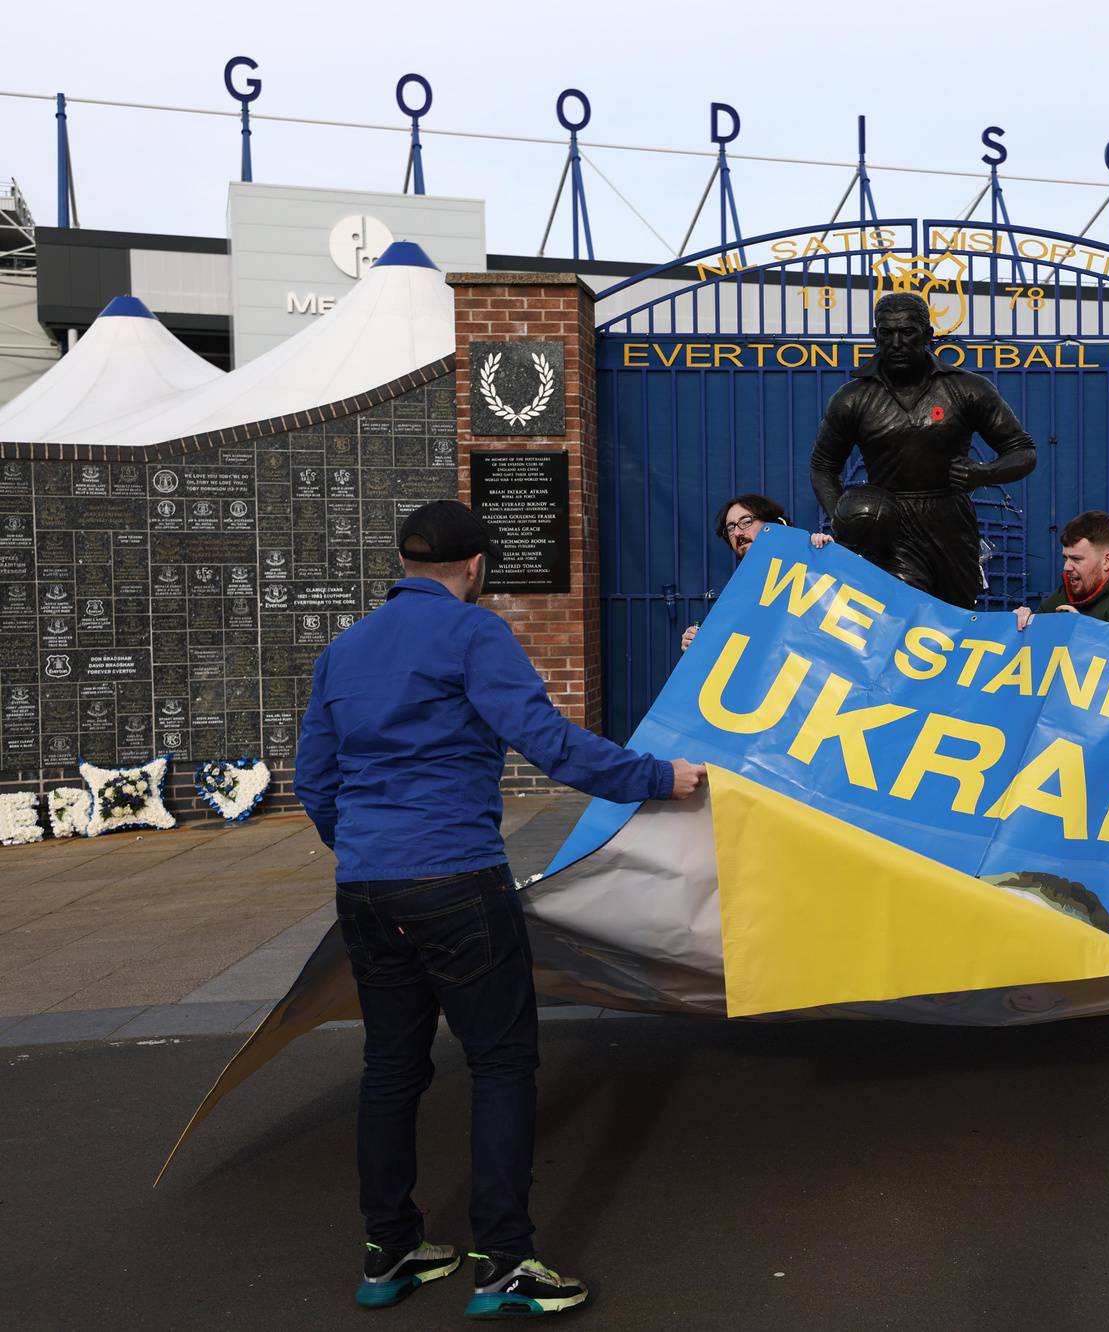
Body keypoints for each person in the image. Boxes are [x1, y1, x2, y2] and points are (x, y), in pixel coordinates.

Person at [294, 499, 706, 1317]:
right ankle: (504, 1264)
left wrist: (371, 851)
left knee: (390, 1068)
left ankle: (392, 1252)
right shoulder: (474, 633)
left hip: (367, 889)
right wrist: (659, 778)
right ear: (477, 567)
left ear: (405, 562)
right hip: (456, 881)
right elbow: (546, 741)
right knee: (501, 1064)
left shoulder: (344, 649)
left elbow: (315, 780)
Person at [809, 290, 1036, 609]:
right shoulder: (853, 398)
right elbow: (823, 466)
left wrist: (984, 473)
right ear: (875, 336)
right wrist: (844, 518)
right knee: (905, 613)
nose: (896, 342)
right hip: (888, 524)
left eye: (907, 332)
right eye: (886, 333)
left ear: (928, 335)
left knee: (954, 618)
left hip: (950, 522)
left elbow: (1023, 451)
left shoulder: (968, 388)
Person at [680, 493, 832, 652]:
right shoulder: (738, 595)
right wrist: (696, 644)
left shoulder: (811, 560)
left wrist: (830, 555)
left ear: (774, 524)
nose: (738, 533)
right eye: (731, 528)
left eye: (746, 522)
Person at [1012, 510, 1109, 642]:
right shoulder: (1065, 594)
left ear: (1106, 561)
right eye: (1065, 558)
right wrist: (1024, 623)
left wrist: (1085, 634)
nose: (1066, 567)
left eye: (1076, 559)